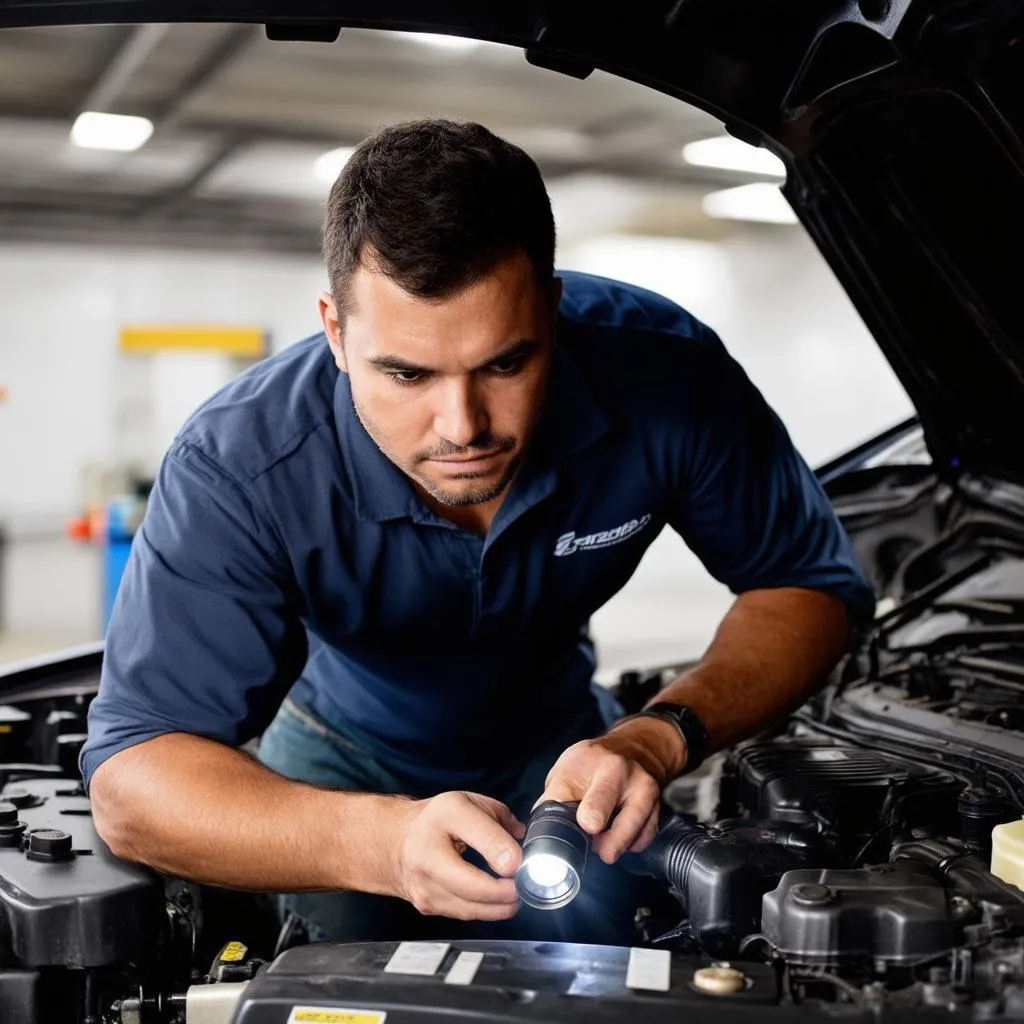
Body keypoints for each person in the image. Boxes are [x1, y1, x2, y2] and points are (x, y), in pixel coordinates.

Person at [82, 118, 873, 946]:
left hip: (566, 754)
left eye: (505, 363)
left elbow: (808, 586)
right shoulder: (240, 463)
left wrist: (656, 736)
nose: (463, 426)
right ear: (335, 333)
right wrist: (380, 844)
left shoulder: (667, 374)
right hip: (339, 756)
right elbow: (133, 782)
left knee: (617, 972)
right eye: (408, 373)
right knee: (341, 977)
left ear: (554, 312)